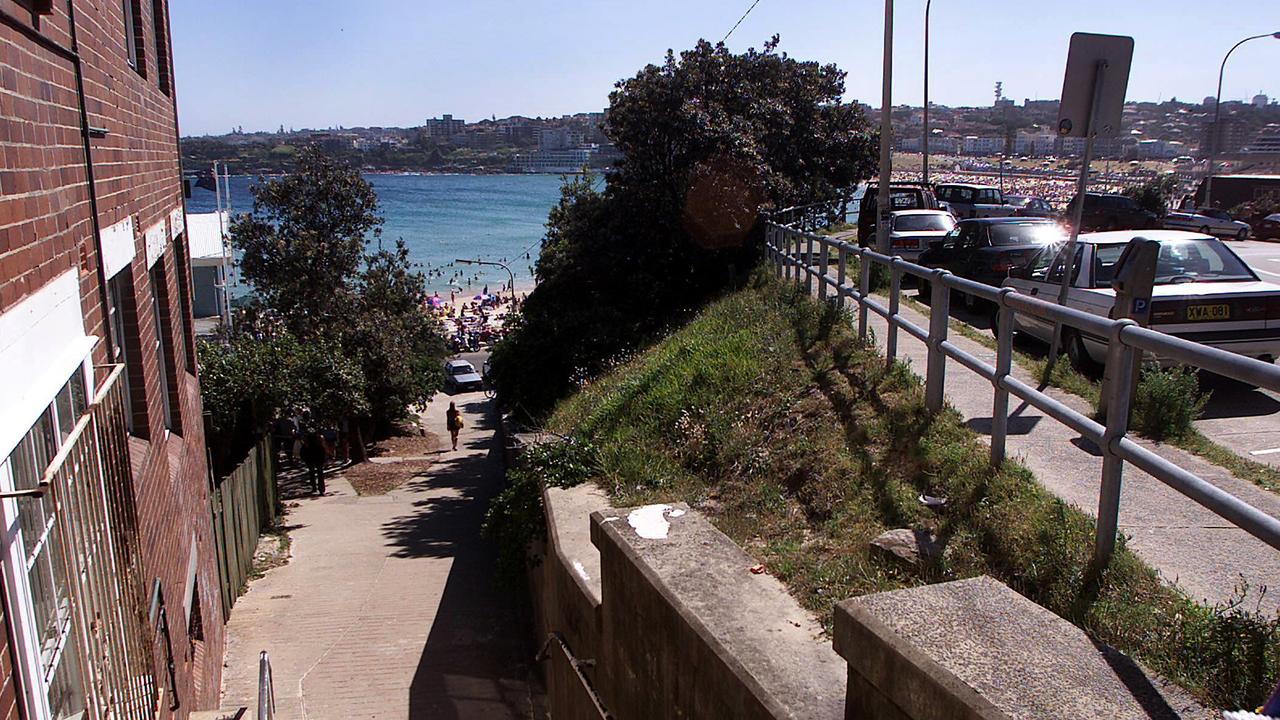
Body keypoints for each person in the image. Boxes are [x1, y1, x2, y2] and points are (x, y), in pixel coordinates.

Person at [300, 430, 328, 495]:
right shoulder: (318, 441)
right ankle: (321, 489)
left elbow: (302, 452)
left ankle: (314, 487)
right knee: (320, 472)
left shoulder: (307, 443)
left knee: (312, 472)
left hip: (310, 458)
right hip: (318, 457)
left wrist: (304, 459)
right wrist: (324, 457)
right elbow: (323, 449)